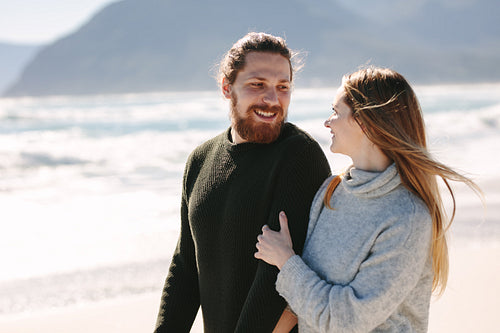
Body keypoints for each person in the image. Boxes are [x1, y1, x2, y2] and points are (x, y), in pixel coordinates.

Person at [255, 66, 482, 332]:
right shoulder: (332, 190)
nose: (327, 122)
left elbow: (347, 320)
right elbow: (301, 301)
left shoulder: (406, 217)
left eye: (336, 113)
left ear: (365, 123)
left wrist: (285, 260)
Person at [154, 32, 331, 332]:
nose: (272, 99)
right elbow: (186, 267)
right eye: (257, 85)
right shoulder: (200, 160)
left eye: (283, 87)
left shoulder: (300, 156)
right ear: (227, 87)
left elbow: (274, 280)